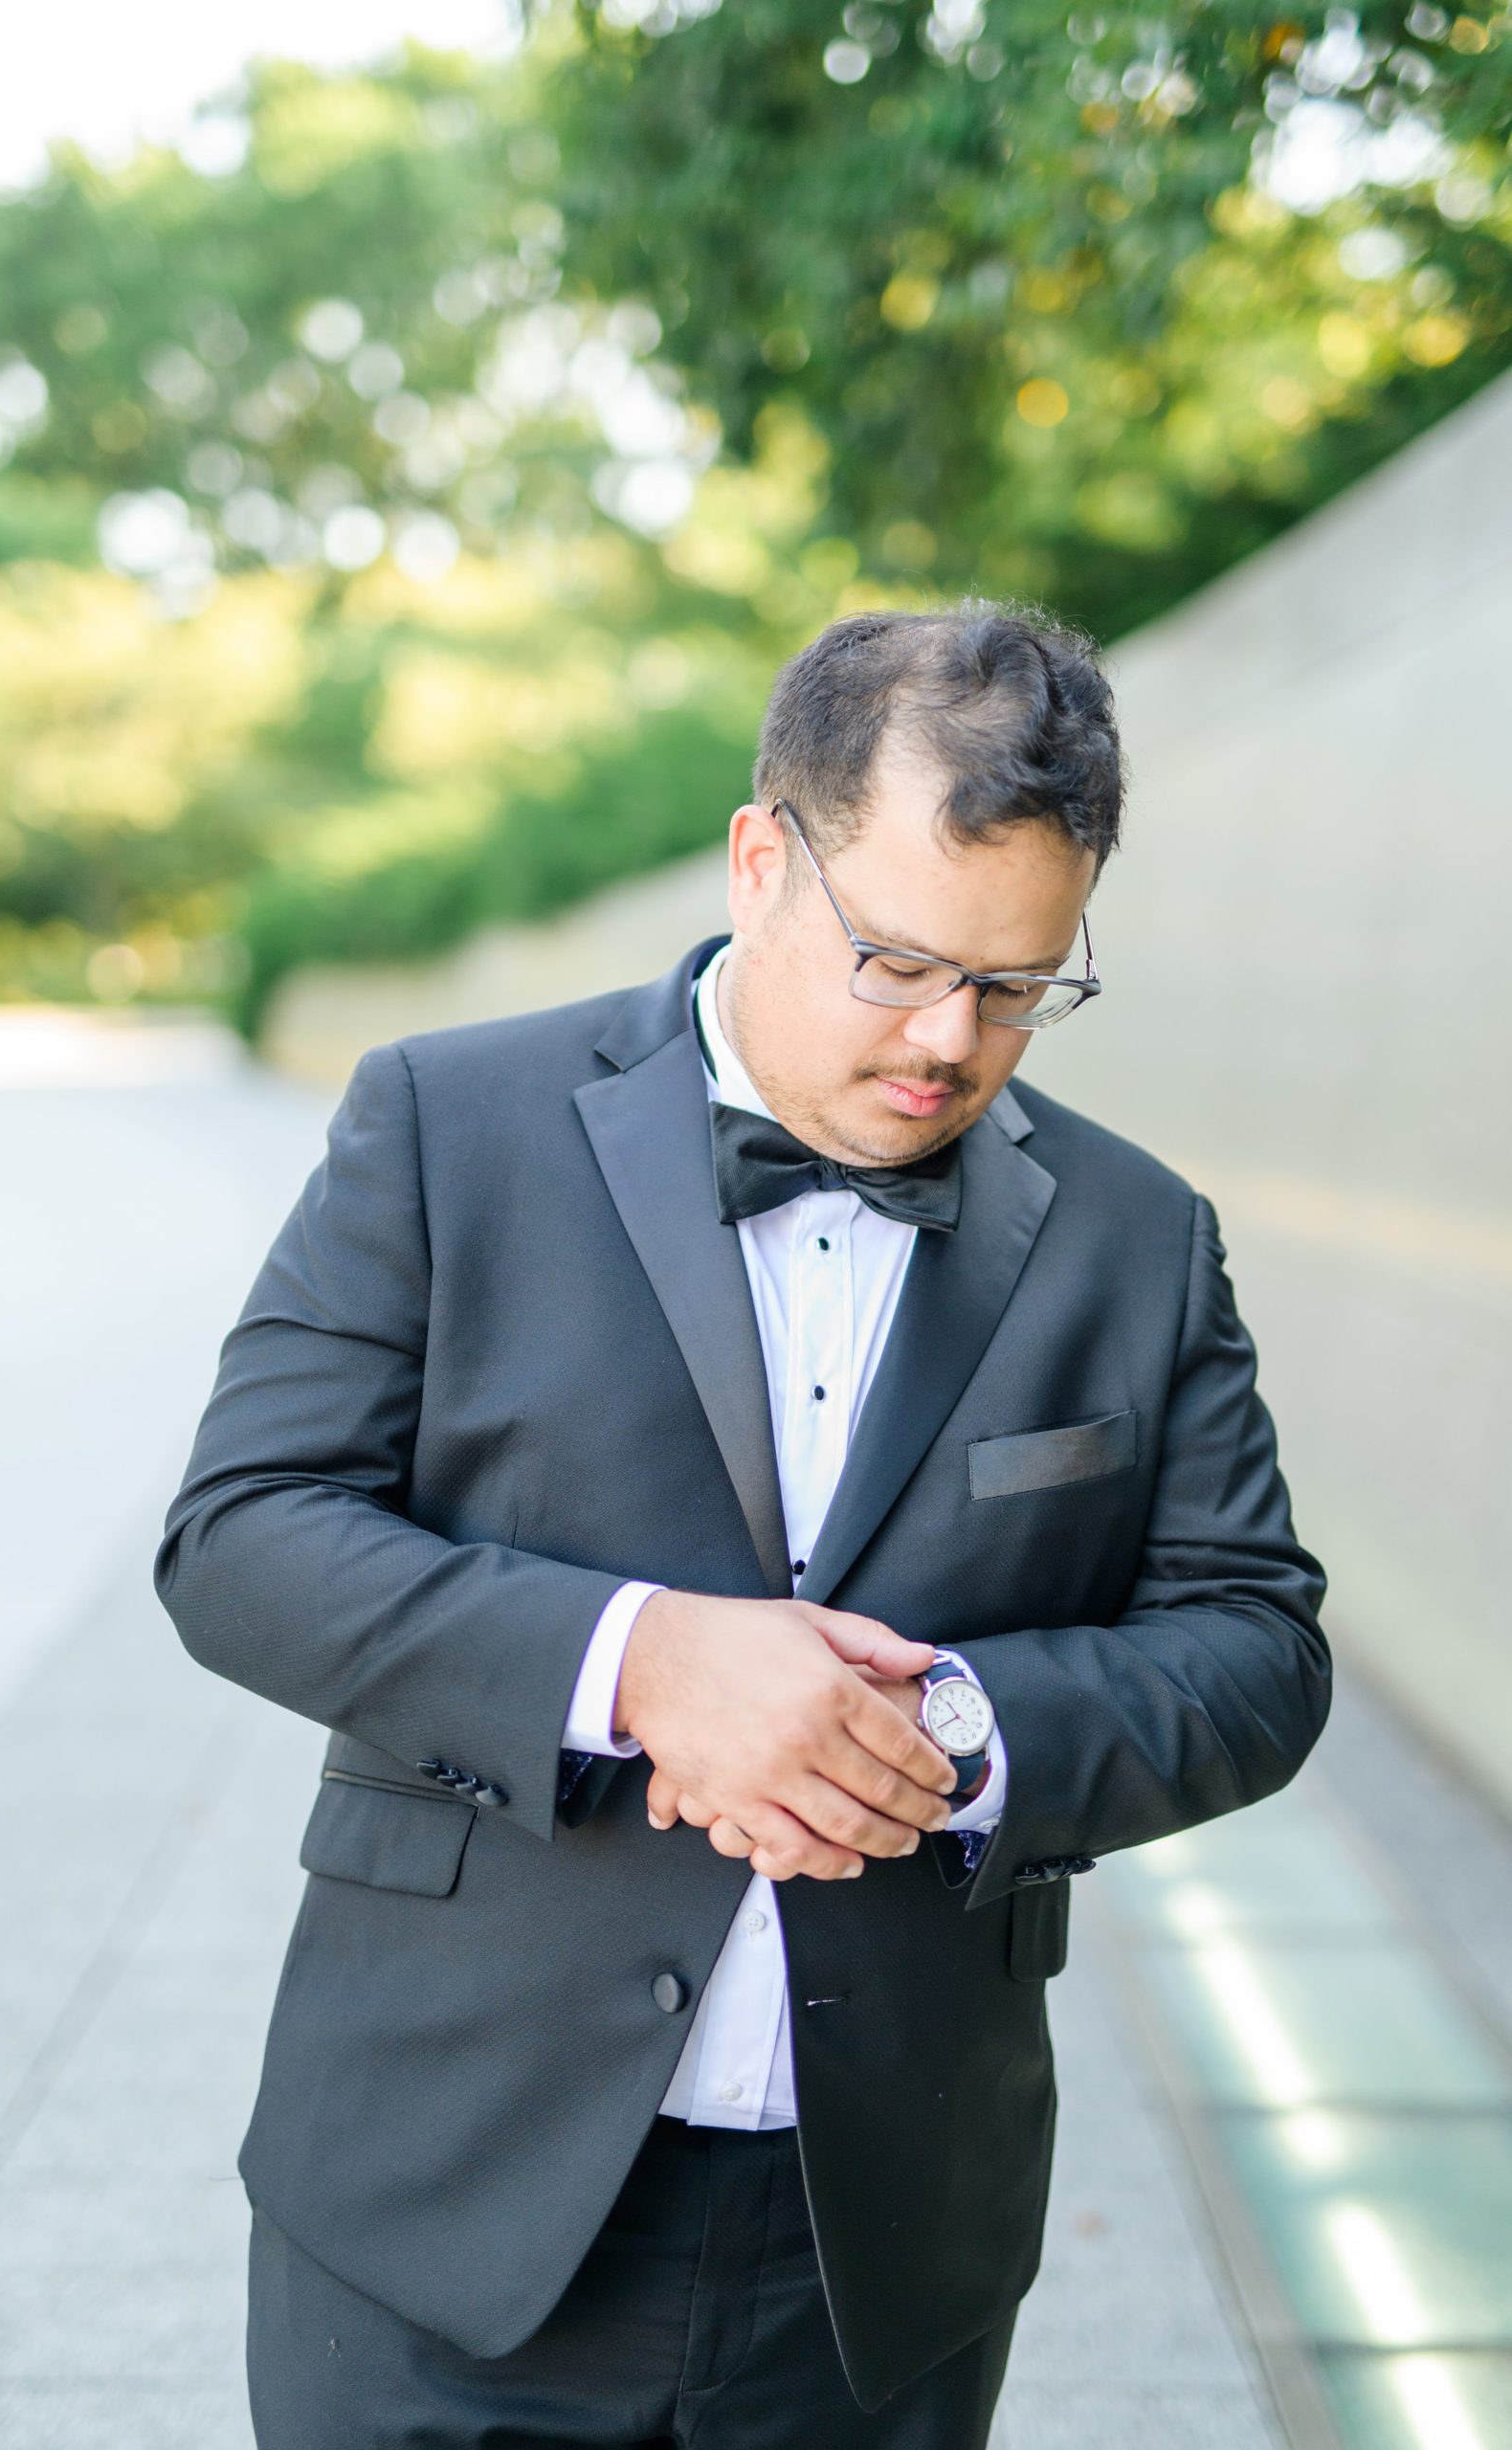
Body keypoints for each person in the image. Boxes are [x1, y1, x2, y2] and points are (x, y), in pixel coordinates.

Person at [155, 600, 1329, 2450]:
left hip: (877, 2256)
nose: (954, 1039)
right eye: (897, 961)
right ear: (762, 856)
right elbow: (240, 1534)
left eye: (1021, 985)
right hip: (440, 2205)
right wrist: (643, 1667)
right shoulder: (446, 1125)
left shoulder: (1139, 1238)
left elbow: (1257, 1647)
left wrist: (939, 1733)